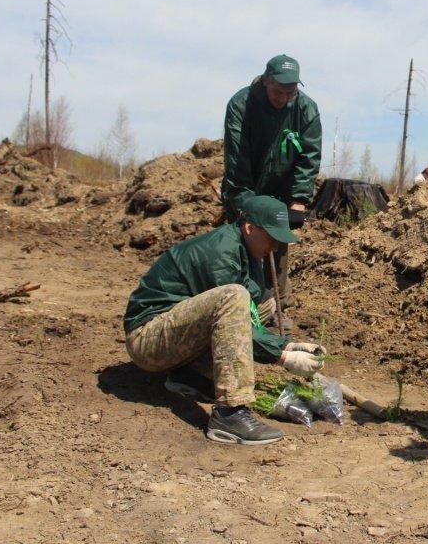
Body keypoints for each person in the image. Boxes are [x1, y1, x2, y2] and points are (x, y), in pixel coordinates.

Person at [123, 195, 325, 445]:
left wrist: (288, 345)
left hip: (175, 334)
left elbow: (247, 319)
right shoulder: (222, 252)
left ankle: (191, 376)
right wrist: (284, 357)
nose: (275, 246)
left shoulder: (247, 249)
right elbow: (232, 317)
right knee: (233, 297)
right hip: (148, 339)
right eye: (272, 237)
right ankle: (230, 414)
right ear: (249, 227)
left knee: (263, 305)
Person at [221, 54, 322, 319]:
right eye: (279, 92)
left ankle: (277, 309)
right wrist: (247, 205)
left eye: (291, 92)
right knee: (244, 247)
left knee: (276, 246)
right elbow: (237, 159)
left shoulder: (305, 109)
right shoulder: (242, 105)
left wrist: (298, 199)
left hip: (281, 191)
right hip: (246, 187)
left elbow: (309, 157)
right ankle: (241, 311)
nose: (284, 98)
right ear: (266, 81)